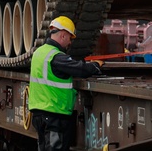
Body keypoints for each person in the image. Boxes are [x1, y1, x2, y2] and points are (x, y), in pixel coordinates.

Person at [28, 16, 103, 151]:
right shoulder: (56, 57)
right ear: (63, 35)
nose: (70, 43)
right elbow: (81, 69)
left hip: (40, 114)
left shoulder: (39, 52)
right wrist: (96, 66)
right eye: (70, 38)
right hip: (53, 115)